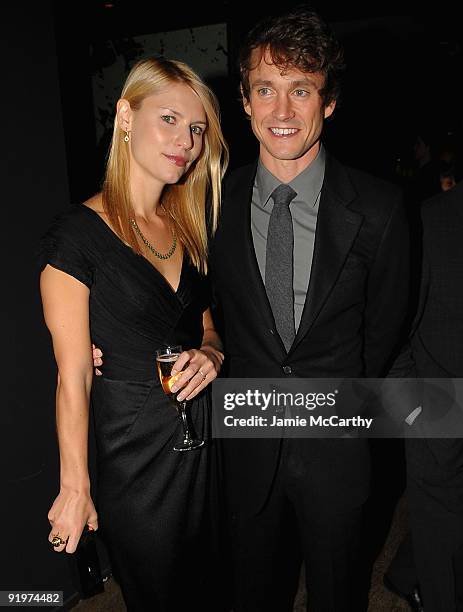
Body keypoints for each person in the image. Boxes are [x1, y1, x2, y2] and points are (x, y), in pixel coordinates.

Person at [209, 6, 410, 612]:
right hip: (245, 443)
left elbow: (385, 331)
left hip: (336, 449)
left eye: (301, 90)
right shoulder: (210, 202)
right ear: (244, 101)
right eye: (266, 90)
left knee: (339, 593)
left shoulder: (380, 208)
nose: (282, 111)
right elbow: (195, 304)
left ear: (328, 102)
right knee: (250, 594)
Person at [39, 56, 228, 611]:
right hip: (136, 457)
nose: (186, 142)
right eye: (169, 119)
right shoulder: (77, 235)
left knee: (214, 591)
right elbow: (72, 374)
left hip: (206, 446)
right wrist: (75, 485)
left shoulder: (188, 228)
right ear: (125, 115)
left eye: (196, 130)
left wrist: (212, 356)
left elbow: (211, 329)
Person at [384, 179, 463, 611]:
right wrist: (412, 408)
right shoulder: (430, 219)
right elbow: (393, 323)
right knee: (441, 536)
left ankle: (405, 574)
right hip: (441, 406)